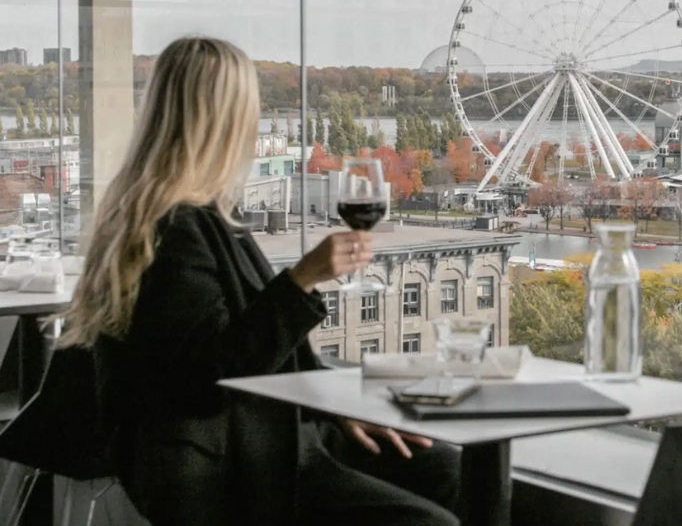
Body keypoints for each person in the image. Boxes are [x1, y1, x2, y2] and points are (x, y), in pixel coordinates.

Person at [60, 37, 460, 526]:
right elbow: (207, 377)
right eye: (247, 111)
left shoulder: (199, 216)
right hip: (231, 461)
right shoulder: (175, 228)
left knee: (448, 469)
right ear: (222, 120)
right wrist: (303, 278)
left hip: (270, 432)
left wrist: (334, 409)